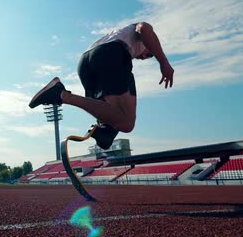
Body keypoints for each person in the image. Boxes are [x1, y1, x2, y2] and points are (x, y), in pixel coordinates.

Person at [28, 22, 174, 149]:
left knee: (111, 113)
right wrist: (163, 62)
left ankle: (105, 130)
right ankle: (61, 94)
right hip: (110, 54)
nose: (144, 58)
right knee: (127, 123)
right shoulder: (139, 31)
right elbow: (144, 29)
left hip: (85, 61)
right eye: (149, 54)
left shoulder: (116, 35)